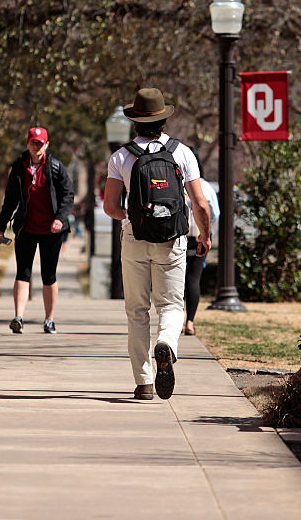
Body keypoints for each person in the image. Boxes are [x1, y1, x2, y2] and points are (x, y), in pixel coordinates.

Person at [103, 88, 211, 400]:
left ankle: (144, 382)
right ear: (163, 120)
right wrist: (205, 236)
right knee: (171, 305)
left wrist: (132, 216)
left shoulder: (121, 157)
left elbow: (110, 206)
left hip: (135, 238)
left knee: (137, 310)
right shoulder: (182, 153)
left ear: (134, 122)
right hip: (172, 238)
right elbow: (200, 204)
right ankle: (167, 343)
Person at [0, 127, 75, 334]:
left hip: (51, 230)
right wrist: (0, 228)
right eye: (33, 142)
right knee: (23, 272)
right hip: (26, 228)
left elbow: (68, 195)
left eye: (40, 143)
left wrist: (60, 219)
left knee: (49, 275)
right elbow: (10, 200)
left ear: (46, 145)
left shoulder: (56, 167)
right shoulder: (19, 168)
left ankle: (49, 319)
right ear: (27, 144)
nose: (36, 146)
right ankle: (18, 317)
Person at [184, 165, 219, 336]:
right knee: (194, 279)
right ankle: (190, 322)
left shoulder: (176, 184)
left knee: (175, 281)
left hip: (177, 237)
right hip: (199, 237)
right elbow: (215, 214)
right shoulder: (206, 187)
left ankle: (174, 321)